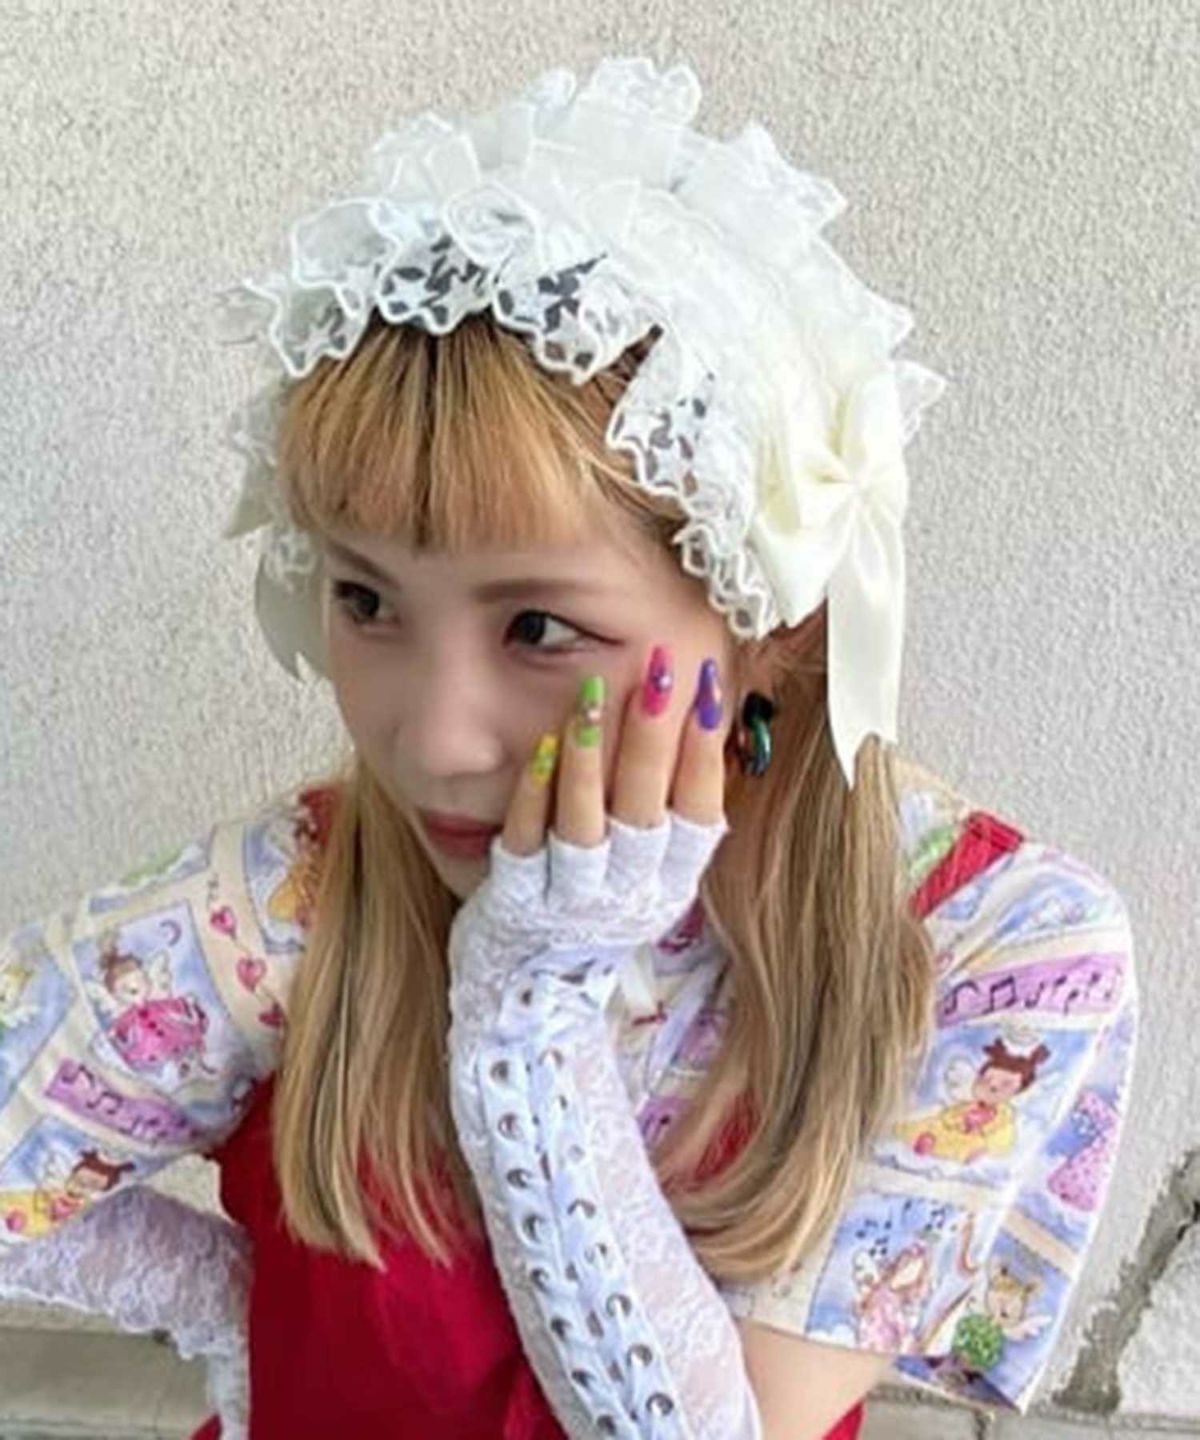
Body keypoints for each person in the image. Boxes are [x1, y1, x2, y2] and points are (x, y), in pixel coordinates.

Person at [0, 55, 1137, 1440]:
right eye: (365, 600)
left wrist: (530, 1011)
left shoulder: (990, 947)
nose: (432, 740)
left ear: (767, 621)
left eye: (539, 626)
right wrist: (213, 1299)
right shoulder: (292, 899)